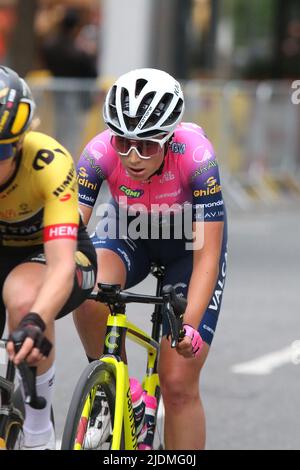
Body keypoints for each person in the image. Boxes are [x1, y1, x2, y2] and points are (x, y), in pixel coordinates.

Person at [74, 68, 227, 450]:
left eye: (147, 146)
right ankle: (116, 389)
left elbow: (208, 254)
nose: (133, 156)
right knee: (88, 288)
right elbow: (71, 232)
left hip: (187, 247)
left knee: (177, 381)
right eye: (124, 142)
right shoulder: (97, 153)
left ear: (169, 137)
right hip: (130, 233)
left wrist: (188, 326)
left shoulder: (197, 157)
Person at [0, 66, 97, 450]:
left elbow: (60, 264)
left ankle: (39, 434)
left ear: (21, 143)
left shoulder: (49, 162)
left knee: (24, 299)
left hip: (53, 253)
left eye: (1, 149)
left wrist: (37, 319)